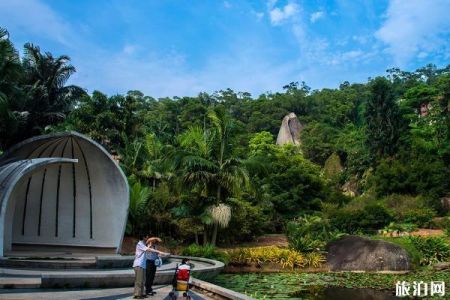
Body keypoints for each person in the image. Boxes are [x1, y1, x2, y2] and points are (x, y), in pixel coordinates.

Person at [132, 234, 156, 299]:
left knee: (142, 280)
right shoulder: (140, 244)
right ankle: (137, 295)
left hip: (142, 265)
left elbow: (148, 246)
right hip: (138, 265)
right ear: (143, 237)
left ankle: (141, 293)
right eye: (147, 237)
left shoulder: (143, 244)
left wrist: (150, 244)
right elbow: (149, 249)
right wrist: (160, 252)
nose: (148, 238)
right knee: (139, 281)